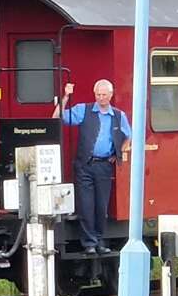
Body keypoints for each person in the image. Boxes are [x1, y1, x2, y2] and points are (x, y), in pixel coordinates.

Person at [54, 78, 132, 254]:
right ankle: (89, 243)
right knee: (86, 205)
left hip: (104, 165)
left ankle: (99, 241)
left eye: (104, 94)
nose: (101, 98)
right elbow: (57, 117)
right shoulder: (84, 110)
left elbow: (129, 135)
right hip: (85, 165)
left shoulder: (119, 115)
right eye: (98, 94)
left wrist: (117, 153)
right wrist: (65, 96)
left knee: (101, 206)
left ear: (111, 95)